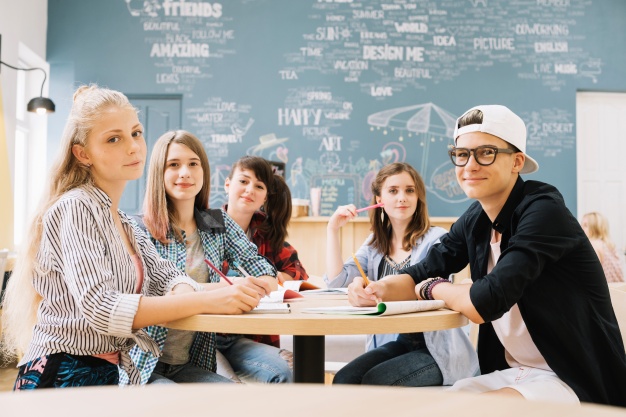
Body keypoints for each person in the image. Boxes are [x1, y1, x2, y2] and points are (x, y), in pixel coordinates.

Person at [352, 105, 626, 406]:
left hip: (574, 378)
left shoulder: (544, 211)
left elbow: (484, 301)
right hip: (517, 372)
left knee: (473, 409)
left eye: (486, 153)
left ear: (516, 162)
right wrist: (376, 290)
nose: (469, 165)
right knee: (442, 405)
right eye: (461, 154)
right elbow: (420, 271)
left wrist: (432, 288)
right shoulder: (476, 219)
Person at [0, 86, 271, 389]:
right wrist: (206, 297)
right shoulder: (76, 207)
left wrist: (187, 290)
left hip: (109, 372)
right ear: (82, 153)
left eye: (136, 133)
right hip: (63, 375)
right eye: (114, 139)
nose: (133, 147)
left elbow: (167, 275)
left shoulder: (124, 223)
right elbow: (101, 307)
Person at [121, 130, 283, 385]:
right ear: (158, 173)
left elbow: (268, 276)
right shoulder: (136, 229)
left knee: (238, 405)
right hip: (141, 367)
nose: (185, 172)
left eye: (193, 164)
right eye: (173, 164)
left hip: (189, 362)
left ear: (203, 171)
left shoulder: (217, 223)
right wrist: (221, 289)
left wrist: (256, 283)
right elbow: (152, 296)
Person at [324, 162, 479, 386]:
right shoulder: (374, 244)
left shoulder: (438, 240)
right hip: (402, 341)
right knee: (344, 379)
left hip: (438, 350)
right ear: (379, 200)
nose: (402, 198)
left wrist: (379, 289)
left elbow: (436, 295)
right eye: (393, 191)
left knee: (373, 381)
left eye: (410, 190)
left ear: (418, 197)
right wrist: (333, 230)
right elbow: (337, 281)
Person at [217, 156, 309, 381]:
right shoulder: (205, 225)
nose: (249, 190)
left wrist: (273, 277)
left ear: (265, 196)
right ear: (228, 184)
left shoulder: (264, 233)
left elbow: (297, 270)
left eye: (258, 186)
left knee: (292, 370)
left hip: (249, 338)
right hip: (207, 336)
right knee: (229, 388)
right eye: (243, 182)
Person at [581, 212, 625, 283]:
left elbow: (588, 275)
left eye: (585, 225)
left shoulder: (593, 245)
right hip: (619, 290)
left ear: (595, 228)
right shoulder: (609, 245)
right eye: (581, 225)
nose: (581, 228)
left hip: (607, 290)